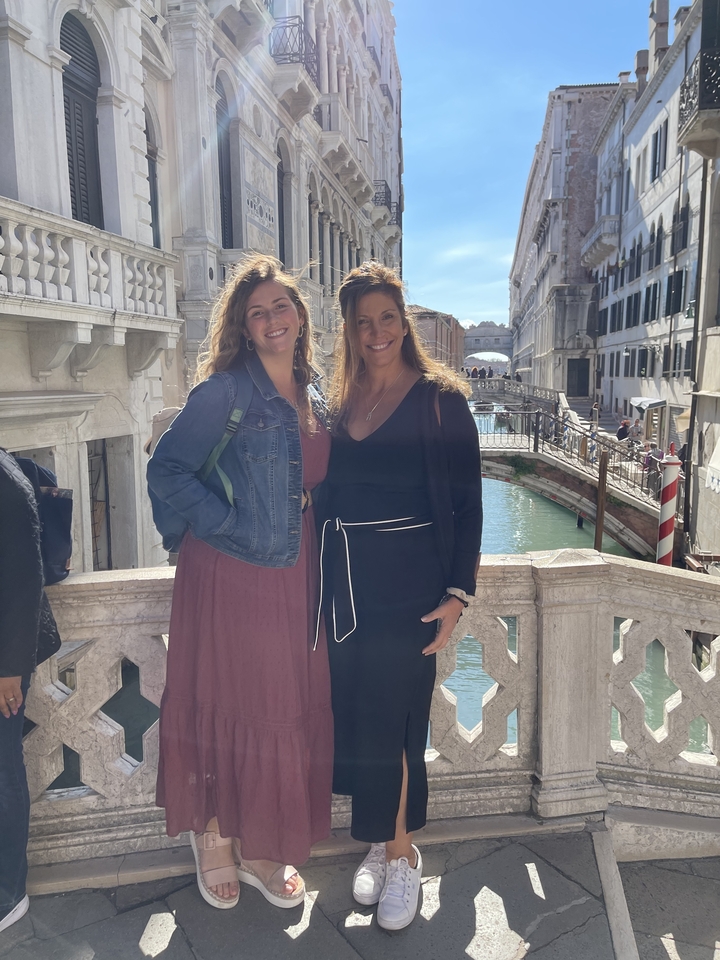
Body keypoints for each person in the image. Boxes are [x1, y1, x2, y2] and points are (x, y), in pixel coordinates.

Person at [147, 255, 333, 911]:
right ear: (244, 327)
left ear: (300, 315)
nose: (272, 319)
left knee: (278, 707)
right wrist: (226, 527)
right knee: (231, 700)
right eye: (258, 312)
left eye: (281, 306)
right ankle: (217, 835)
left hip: (297, 574)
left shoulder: (316, 394)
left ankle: (258, 843)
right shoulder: (224, 392)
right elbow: (167, 473)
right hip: (231, 573)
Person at [321, 262, 482, 931]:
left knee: (399, 725)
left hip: (411, 586)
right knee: (359, 723)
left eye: (387, 317)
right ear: (350, 332)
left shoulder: (441, 400)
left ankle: (404, 854)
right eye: (363, 322)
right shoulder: (340, 401)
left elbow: (470, 507)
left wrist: (458, 593)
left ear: (403, 321)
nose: (376, 331)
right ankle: (377, 842)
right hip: (346, 585)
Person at [0, 449, 61, 934]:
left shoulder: (3, 476)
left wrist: (10, 669)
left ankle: (9, 892)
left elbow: (24, 575)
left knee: (1, 773)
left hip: (3, 662)